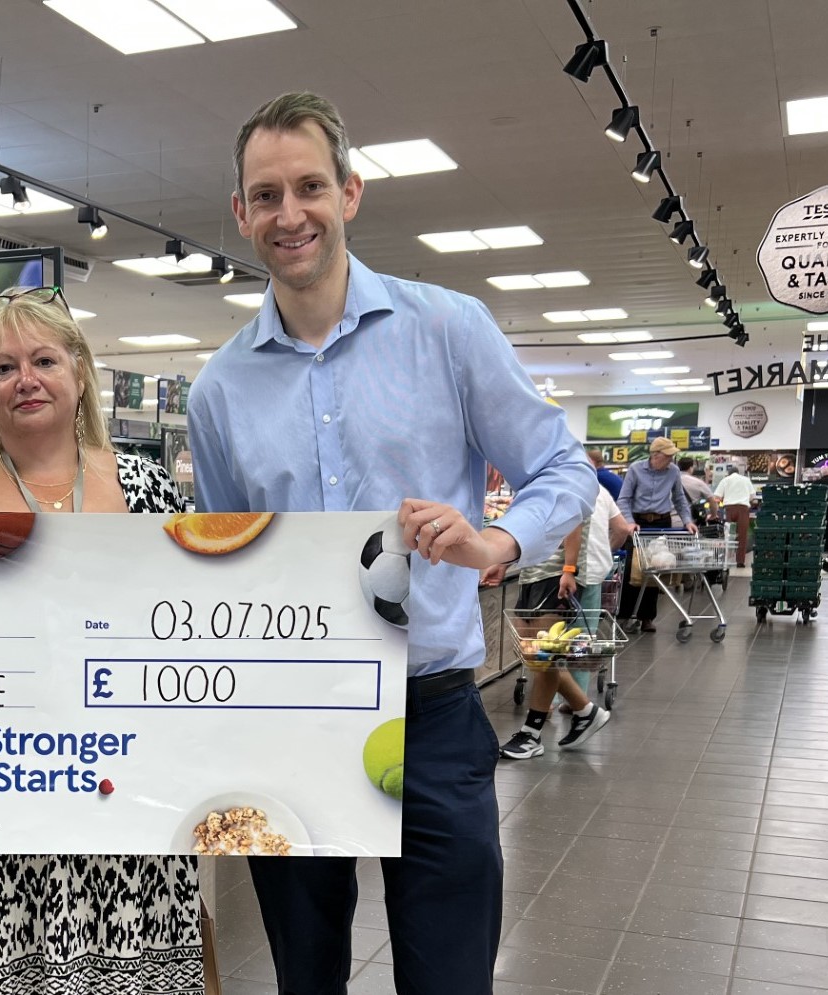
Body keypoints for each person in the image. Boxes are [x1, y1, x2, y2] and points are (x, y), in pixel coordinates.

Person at [185, 92, 596, 995]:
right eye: (265, 195)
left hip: (435, 712)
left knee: (449, 974)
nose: (289, 214)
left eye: (309, 187)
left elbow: (564, 469)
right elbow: (223, 564)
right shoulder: (216, 391)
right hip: (291, 716)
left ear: (351, 193)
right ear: (240, 213)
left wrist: (496, 541)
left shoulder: (448, 329)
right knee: (304, 973)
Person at [0, 286, 203, 995]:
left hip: (120, 809)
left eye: (44, 359)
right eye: (1, 368)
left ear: (79, 372)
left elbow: (194, 632)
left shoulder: (152, 492)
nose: (25, 379)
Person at [494, 486, 632, 759]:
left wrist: (569, 569)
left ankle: (531, 734)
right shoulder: (535, 481)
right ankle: (586, 711)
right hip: (532, 573)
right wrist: (504, 563)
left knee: (545, 654)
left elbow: (573, 522)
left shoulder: (565, 479)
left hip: (556, 574)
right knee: (534, 654)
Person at [615, 436, 697, 633]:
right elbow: (624, 499)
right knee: (632, 569)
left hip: (661, 522)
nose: (670, 459)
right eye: (667, 456)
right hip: (638, 522)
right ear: (655, 455)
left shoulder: (674, 471)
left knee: (655, 568)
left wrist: (687, 521)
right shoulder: (635, 469)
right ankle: (625, 615)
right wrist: (629, 522)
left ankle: (647, 618)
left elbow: (679, 498)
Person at [713, 464, 757, 568]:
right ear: (738, 472)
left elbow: (716, 497)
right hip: (743, 509)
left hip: (729, 510)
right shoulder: (746, 480)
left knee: (727, 535)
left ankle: (726, 560)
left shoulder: (725, 480)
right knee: (742, 536)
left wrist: (723, 501)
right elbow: (753, 497)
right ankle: (740, 561)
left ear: (729, 473)